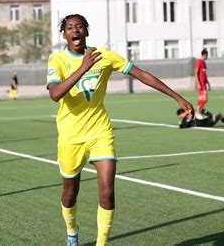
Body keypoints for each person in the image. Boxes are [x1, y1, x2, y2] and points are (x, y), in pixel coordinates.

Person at [46, 14, 193, 246]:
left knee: (107, 192)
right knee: (70, 193)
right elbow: (55, 94)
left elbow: (142, 75)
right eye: (69, 28)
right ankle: (72, 233)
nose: (75, 30)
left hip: (100, 132)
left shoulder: (104, 56)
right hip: (70, 136)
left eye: (80, 26)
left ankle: (101, 244)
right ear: (64, 34)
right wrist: (83, 68)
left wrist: (177, 97)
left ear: (86, 31)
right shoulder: (57, 60)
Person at [195, 49, 211, 119]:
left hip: (204, 84)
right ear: (204, 55)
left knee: (205, 99)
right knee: (203, 99)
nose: (208, 57)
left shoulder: (204, 63)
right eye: (207, 55)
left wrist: (208, 83)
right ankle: (197, 112)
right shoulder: (199, 62)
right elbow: (196, 73)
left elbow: (204, 74)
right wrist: (198, 83)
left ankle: (200, 112)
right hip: (200, 84)